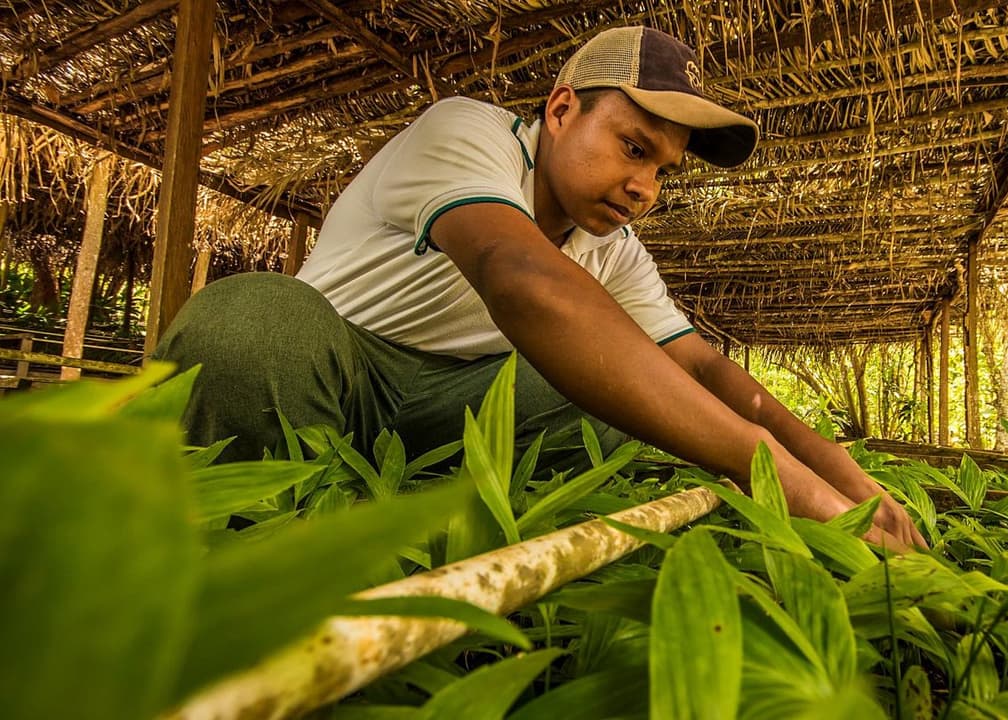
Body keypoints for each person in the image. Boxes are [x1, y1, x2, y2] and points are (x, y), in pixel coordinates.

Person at [155, 26, 927, 550]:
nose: (645, 187)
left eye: (663, 170)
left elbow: (702, 369)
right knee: (246, 321)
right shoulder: (466, 133)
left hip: (445, 415)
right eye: (633, 148)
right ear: (562, 109)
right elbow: (519, 277)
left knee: (644, 393)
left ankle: (433, 515)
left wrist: (846, 478)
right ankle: (261, 537)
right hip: (330, 375)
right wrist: (795, 492)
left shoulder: (613, 247)